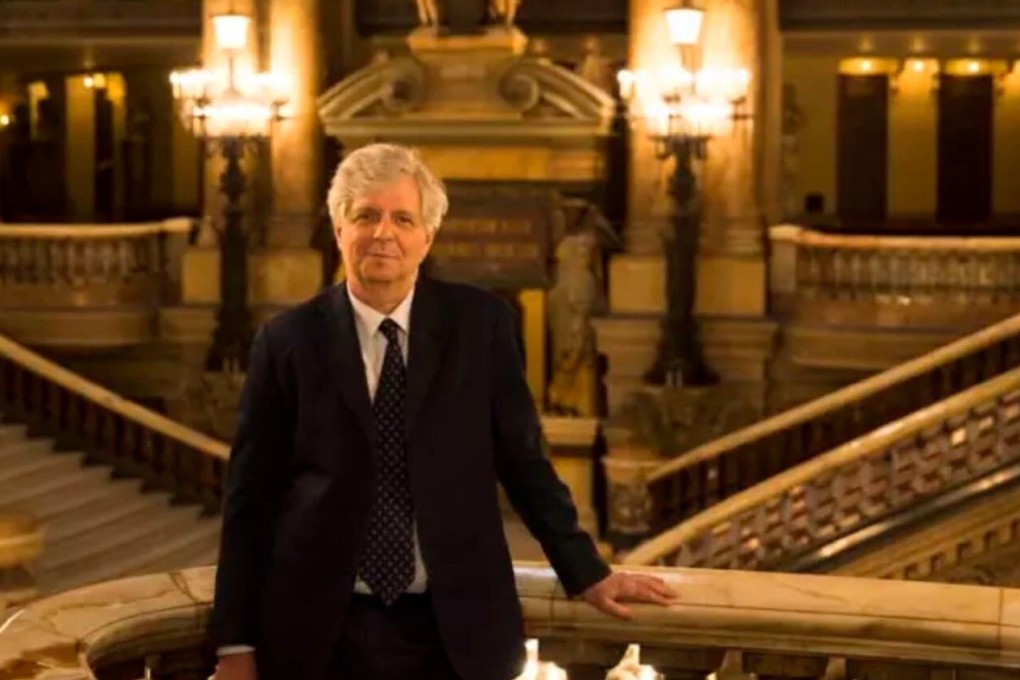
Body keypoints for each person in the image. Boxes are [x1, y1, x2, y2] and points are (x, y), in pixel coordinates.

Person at [209, 143, 678, 680]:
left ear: (426, 237)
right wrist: (234, 643)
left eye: (403, 219)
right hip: (318, 634)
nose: (384, 233)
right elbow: (250, 500)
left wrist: (586, 571)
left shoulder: (481, 327)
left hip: (457, 633)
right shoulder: (286, 342)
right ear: (339, 228)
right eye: (366, 215)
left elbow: (524, 462)